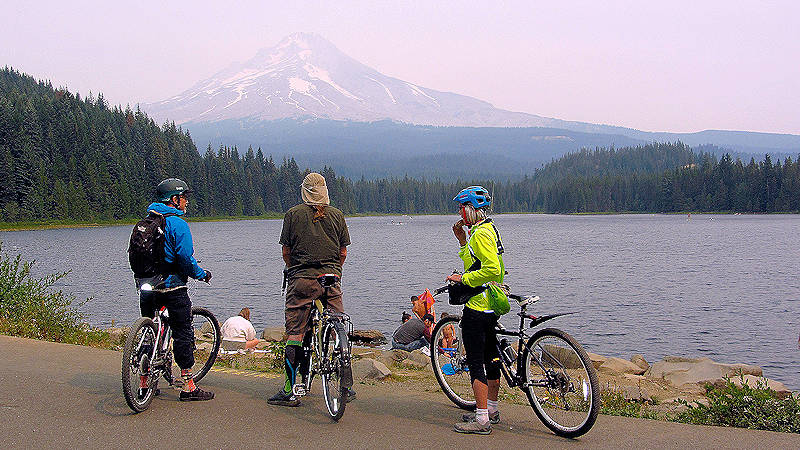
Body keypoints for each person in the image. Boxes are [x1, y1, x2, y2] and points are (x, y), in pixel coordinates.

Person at [268, 172, 354, 407]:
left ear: (304, 191)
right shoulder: (337, 215)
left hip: (302, 279)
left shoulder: (293, 215)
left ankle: (289, 389)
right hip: (331, 278)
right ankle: (347, 381)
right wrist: (335, 271)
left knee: (295, 333)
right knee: (338, 326)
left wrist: (293, 268)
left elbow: (286, 251)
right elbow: (343, 252)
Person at [133, 178, 214, 401]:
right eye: (184, 197)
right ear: (174, 200)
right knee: (183, 333)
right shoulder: (178, 224)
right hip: (172, 287)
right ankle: (188, 385)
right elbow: (185, 259)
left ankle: (143, 382)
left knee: (149, 332)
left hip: (147, 287)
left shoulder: (146, 222)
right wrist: (201, 274)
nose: (186, 202)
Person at [446, 186, 505, 434]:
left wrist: (463, 281)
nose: (459, 213)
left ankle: (481, 420)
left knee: (476, 360)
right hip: (491, 304)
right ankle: (491, 408)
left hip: (478, 305)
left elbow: (491, 270)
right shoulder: (487, 229)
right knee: (492, 356)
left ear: (470, 209)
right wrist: (462, 241)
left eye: (461, 208)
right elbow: (475, 264)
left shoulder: (480, 234)